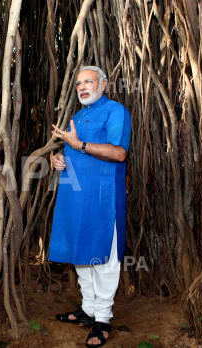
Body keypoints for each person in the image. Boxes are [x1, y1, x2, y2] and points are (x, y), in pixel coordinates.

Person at [49, 66, 131, 348]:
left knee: (105, 260)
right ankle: (89, 309)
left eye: (89, 82)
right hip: (74, 197)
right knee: (81, 254)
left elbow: (119, 153)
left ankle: (103, 319)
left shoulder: (115, 111)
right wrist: (59, 157)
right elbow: (72, 148)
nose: (83, 87)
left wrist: (79, 144)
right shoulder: (78, 116)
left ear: (103, 84)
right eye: (79, 83)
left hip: (102, 199)